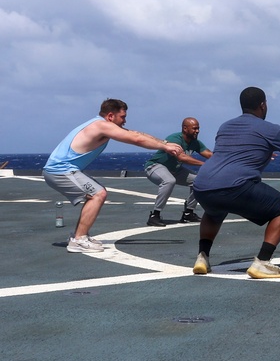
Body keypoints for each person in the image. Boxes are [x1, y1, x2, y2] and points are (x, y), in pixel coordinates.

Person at [190, 87, 280, 279]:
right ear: (263, 105)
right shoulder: (271, 129)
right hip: (236, 186)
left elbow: (237, 152)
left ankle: (202, 257)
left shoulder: (225, 126)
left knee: (214, 211)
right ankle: (262, 262)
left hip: (203, 185)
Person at [43, 99, 183, 253]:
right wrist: (165, 147)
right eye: (122, 117)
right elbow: (136, 139)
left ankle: (79, 236)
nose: (125, 120)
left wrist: (164, 142)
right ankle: (79, 239)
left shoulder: (99, 124)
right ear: (110, 116)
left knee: (96, 194)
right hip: (60, 170)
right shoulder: (101, 126)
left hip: (62, 170)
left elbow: (135, 133)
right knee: (98, 194)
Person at [143, 117, 213, 227]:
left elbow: (209, 154)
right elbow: (181, 157)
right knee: (169, 181)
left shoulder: (195, 143)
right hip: (155, 166)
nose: (197, 131)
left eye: (198, 128)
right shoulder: (175, 139)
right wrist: (204, 164)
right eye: (194, 128)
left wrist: (226, 160)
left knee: (199, 181)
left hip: (175, 169)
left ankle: (188, 213)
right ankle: (155, 216)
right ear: (185, 128)